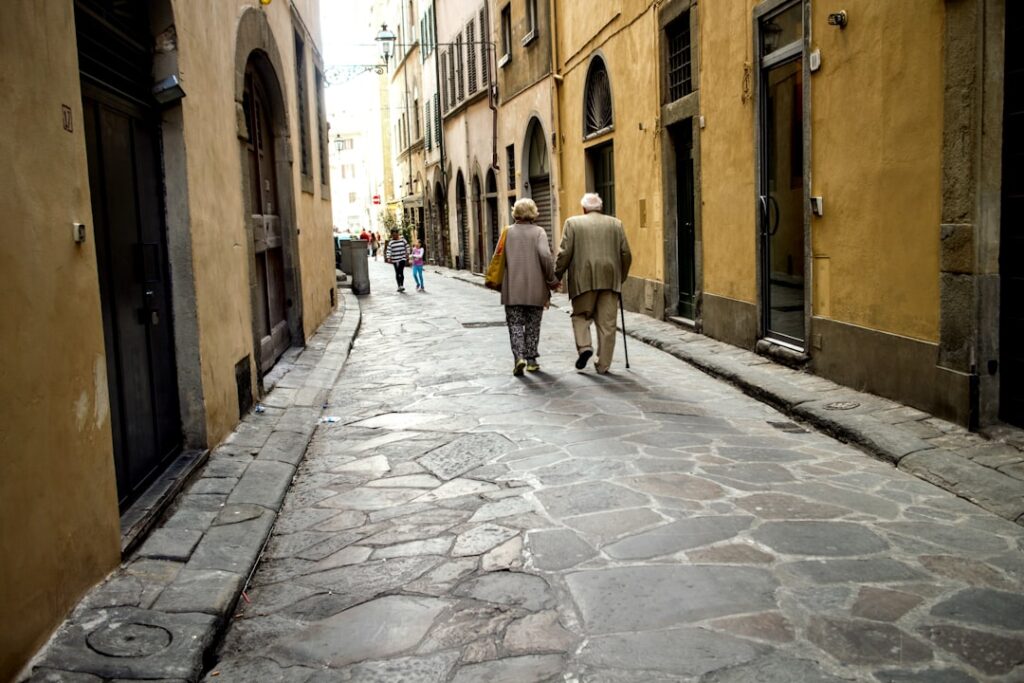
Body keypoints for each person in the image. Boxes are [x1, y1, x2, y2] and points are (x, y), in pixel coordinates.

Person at [554, 192, 632, 374]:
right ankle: (603, 365)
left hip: (583, 280)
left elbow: (564, 253)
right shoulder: (616, 224)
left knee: (581, 316)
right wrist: (621, 276)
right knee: (607, 324)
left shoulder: (572, 223)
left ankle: (585, 347)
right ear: (600, 208)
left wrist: (557, 275)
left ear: (584, 209)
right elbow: (626, 253)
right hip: (610, 280)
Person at [502, 198, 559, 376]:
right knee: (533, 324)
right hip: (536, 288)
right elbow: (545, 255)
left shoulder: (507, 232)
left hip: (512, 288)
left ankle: (519, 357)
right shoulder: (539, 232)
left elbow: (498, 257)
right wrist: (552, 280)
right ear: (533, 213)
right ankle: (532, 360)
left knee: (515, 324)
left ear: (515, 213)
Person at [385, 228, 410, 292]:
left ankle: (402, 285)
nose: (395, 236)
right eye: (393, 235)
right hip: (395, 259)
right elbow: (389, 250)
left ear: (398, 234)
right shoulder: (391, 242)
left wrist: (407, 254)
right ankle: (399, 286)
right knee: (397, 272)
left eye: (396, 235)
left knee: (400, 271)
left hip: (402, 258)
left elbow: (407, 246)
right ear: (391, 235)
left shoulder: (403, 240)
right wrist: (388, 257)